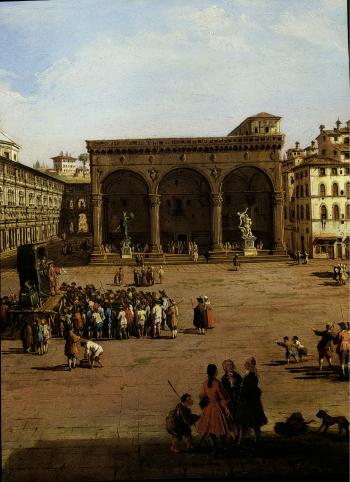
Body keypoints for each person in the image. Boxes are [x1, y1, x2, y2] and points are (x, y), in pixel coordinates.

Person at [197, 364, 230, 455]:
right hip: (216, 408)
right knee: (221, 429)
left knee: (211, 430)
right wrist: (226, 408)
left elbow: (202, 395)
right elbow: (222, 397)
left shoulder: (205, 383)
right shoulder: (217, 383)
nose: (217, 371)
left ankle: (214, 449)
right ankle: (224, 447)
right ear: (215, 372)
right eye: (216, 370)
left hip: (208, 409)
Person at [235, 357, 267, 445]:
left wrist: (241, 393)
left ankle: (255, 440)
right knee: (247, 423)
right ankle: (242, 441)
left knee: (253, 423)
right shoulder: (249, 374)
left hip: (250, 403)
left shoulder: (252, 375)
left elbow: (249, 389)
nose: (244, 364)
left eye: (246, 363)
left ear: (249, 365)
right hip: (247, 402)